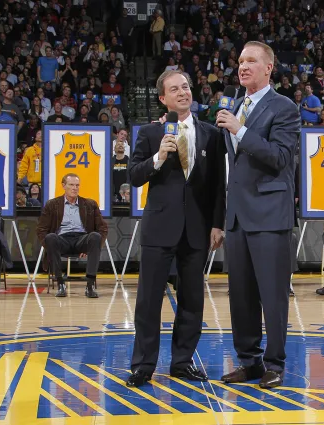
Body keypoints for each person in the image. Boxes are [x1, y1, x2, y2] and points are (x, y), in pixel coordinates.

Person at [126, 69, 226, 388]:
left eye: (186, 86)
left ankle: (182, 362)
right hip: (159, 227)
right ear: (162, 98)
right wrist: (159, 157)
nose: (183, 92)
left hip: (197, 229)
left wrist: (217, 224)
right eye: (175, 89)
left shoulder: (211, 133)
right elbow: (134, 175)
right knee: (149, 301)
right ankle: (143, 365)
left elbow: (216, 186)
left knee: (193, 300)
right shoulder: (150, 134)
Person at [215, 41, 300, 389]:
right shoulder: (235, 105)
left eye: (251, 61)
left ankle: (275, 364)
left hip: (269, 214)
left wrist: (240, 130)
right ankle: (249, 362)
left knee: (272, 295)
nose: (243, 66)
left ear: (269, 68)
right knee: (242, 296)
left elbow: (280, 157)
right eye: (240, 61)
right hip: (237, 216)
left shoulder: (285, 107)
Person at [36, 173, 108, 298]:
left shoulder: (90, 204)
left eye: (77, 185)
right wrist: (48, 246)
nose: (75, 188)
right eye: (71, 185)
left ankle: (90, 285)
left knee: (95, 236)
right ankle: (60, 283)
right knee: (50, 237)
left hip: (81, 239)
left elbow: (103, 228)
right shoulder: (52, 205)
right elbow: (41, 230)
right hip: (62, 239)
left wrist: (90, 247)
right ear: (63, 186)